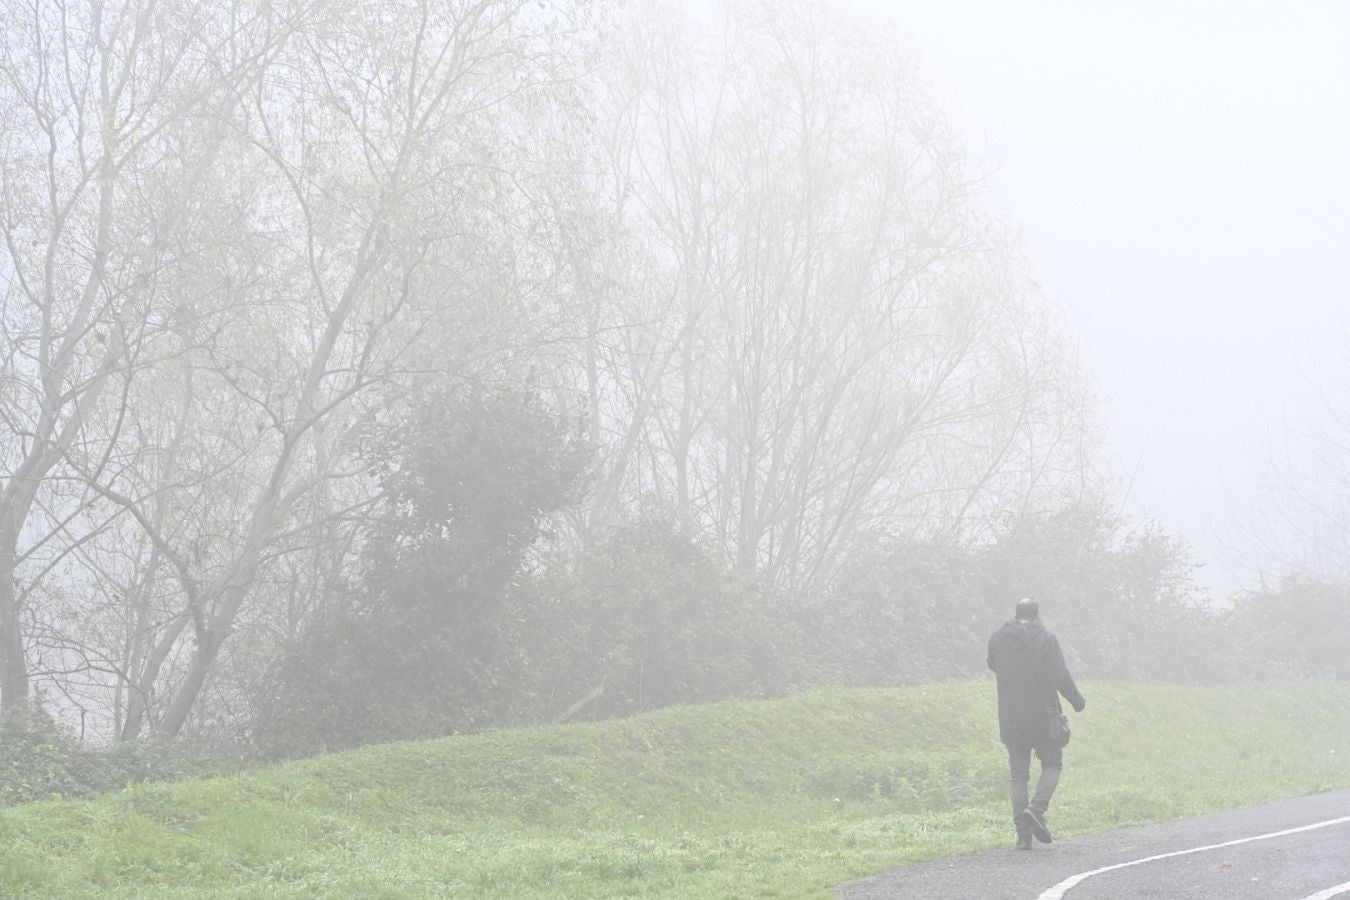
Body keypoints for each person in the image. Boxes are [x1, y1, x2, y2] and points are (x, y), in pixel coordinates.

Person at [987, 597, 1085, 850]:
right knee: (1052, 763)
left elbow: (993, 664)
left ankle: (1023, 836)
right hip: (1043, 713)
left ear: (1016, 613)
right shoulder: (1046, 639)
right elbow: (1060, 674)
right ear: (1037, 613)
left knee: (1018, 774)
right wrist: (1076, 701)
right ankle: (1037, 809)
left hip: (1010, 715)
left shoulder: (998, 637)